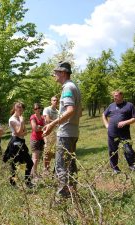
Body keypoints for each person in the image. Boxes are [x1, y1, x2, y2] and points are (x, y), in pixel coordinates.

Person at [43, 61, 82, 198]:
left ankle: (62, 198)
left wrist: (53, 123)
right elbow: (79, 111)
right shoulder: (74, 86)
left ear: (63, 73)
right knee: (70, 164)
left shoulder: (67, 88)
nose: (54, 75)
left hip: (65, 133)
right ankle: (73, 194)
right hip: (73, 132)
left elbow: (70, 110)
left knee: (61, 166)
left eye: (56, 73)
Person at [102, 90, 135, 174]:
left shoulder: (129, 105)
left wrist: (125, 122)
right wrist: (106, 125)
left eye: (116, 95)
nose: (115, 97)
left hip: (124, 133)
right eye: (114, 96)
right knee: (112, 151)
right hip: (112, 133)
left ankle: (133, 166)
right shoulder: (111, 106)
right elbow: (104, 115)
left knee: (128, 149)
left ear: (122, 95)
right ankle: (115, 168)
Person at [3, 102, 34, 188]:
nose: (21, 109)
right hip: (15, 142)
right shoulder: (12, 119)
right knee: (14, 164)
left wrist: (22, 127)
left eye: (22, 108)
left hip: (22, 142)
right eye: (19, 108)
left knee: (29, 162)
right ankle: (13, 183)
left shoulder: (20, 118)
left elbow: (25, 132)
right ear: (15, 108)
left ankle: (27, 182)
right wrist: (22, 122)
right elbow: (19, 132)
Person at [42, 96, 59, 173]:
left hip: (56, 134)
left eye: (57, 100)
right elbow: (47, 120)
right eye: (54, 100)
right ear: (51, 101)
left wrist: (56, 122)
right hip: (48, 134)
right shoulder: (47, 109)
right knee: (47, 152)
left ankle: (55, 170)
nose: (55, 101)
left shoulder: (58, 111)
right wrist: (57, 121)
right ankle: (46, 170)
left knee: (55, 152)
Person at [30, 103, 45, 180]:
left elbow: (45, 127)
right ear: (34, 110)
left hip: (41, 139)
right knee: (35, 158)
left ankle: (34, 173)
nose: (37, 109)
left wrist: (40, 127)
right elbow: (35, 128)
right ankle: (33, 174)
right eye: (36, 108)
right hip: (35, 139)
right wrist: (40, 127)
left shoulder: (42, 117)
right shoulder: (33, 117)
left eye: (39, 108)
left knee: (38, 158)